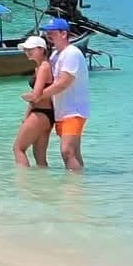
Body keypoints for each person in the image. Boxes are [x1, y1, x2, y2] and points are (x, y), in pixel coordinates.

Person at [37, 17, 90, 171]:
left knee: (66, 151)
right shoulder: (55, 55)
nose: (48, 35)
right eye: (47, 32)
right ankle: (78, 186)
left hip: (74, 111)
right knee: (73, 152)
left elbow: (63, 83)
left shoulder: (72, 53)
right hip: (62, 111)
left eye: (52, 32)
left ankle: (74, 188)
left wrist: (38, 96)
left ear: (63, 34)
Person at [14, 35, 54, 167]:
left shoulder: (43, 67)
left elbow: (36, 95)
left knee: (18, 149)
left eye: (31, 49)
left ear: (42, 49)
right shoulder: (41, 67)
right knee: (40, 158)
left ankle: (22, 183)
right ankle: (41, 186)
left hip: (40, 114)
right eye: (26, 49)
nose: (27, 51)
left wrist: (26, 96)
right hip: (47, 115)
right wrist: (26, 116)